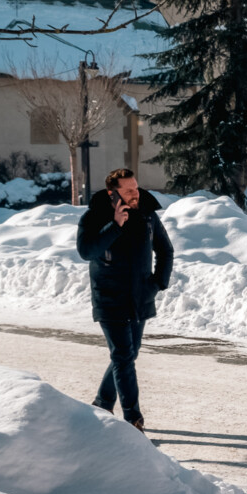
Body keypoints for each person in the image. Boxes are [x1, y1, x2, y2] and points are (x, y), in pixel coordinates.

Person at [76, 167, 173, 431]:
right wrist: (115, 225)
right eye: (128, 190)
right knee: (122, 356)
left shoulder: (147, 215)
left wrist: (156, 284)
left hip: (140, 297)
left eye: (136, 187)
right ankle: (133, 419)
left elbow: (165, 250)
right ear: (112, 193)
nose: (136, 194)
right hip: (109, 298)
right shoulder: (94, 217)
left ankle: (102, 402)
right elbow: (86, 251)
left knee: (129, 354)